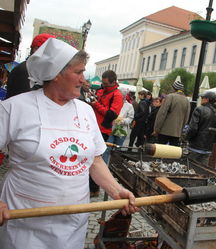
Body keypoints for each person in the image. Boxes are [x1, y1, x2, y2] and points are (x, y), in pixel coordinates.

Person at [0, 38, 137, 249]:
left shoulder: (85, 111)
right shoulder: (14, 108)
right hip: (24, 221)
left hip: (72, 223)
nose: (84, 79)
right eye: (79, 72)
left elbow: (95, 160)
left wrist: (116, 190)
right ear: (56, 73)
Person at [90, 70, 123, 196]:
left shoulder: (117, 95)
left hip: (103, 129)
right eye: (103, 84)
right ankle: (91, 187)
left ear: (113, 82)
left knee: (95, 159)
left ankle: (94, 189)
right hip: (94, 126)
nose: (104, 86)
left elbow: (112, 115)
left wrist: (96, 105)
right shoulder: (102, 90)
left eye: (106, 84)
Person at [6, 33, 56, 99]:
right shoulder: (24, 70)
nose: (53, 57)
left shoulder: (34, 70)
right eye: (50, 52)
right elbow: (24, 101)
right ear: (36, 49)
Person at [185, 91, 216, 167]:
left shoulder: (199, 109)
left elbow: (193, 128)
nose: (201, 99)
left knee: (189, 168)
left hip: (195, 146)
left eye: (202, 98)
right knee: (201, 170)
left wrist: (186, 137)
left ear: (207, 99)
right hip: (208, 148)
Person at [102, 89, 134, 163]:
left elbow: (130, 118)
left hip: (122, 131)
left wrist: (122, 121)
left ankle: (113, 166)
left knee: (117, 150)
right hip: (112, 129)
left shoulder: (129, 106)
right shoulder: (113, 103)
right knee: (107, 148)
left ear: (125, 96)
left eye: (120, 95)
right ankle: (105, 166)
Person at [154, 80, 190, 146]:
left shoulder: (170, 96)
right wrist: (180, 130)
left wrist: (156, 129)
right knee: (172, 153)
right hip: (177, 132)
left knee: (160, 151)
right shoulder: (186, 100)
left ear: (174, 88)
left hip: (164, 131)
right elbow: (186, 118)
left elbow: (162, 114)